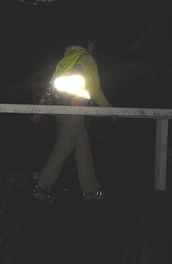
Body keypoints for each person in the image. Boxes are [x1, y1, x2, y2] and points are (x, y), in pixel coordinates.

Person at [33, 38, 114, 203]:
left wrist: (40, 110)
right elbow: (95, 90)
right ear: (87, 45)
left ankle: (91, 189)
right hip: (74, 109)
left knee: (83, 147)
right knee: (63, 149)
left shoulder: (65, 60)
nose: (93, 48)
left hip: (61, 110)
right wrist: (110, 110)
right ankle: (41, 189)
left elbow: (50, 89)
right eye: (92, 45)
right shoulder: (86, 59)